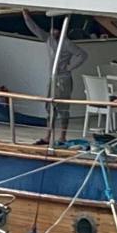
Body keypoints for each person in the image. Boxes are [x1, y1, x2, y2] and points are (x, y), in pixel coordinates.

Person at [22, 10, 88, 145]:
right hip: (52, 78)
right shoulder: (49, 39)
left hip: (63, 79)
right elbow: (35, 29)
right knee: (50, 107)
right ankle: (48, 136)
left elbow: (82, 54)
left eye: (56, 30)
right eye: (52, 29)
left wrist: (69, 67)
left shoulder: (66, 43)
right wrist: (26, 16)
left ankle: (63, 136)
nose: (53, 32)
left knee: (63, 108)